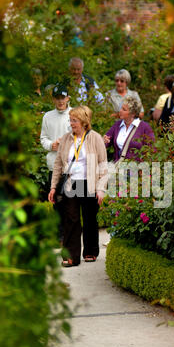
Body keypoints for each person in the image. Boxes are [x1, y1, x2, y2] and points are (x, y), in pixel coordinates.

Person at [49, 106, 108, 267]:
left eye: (74, 120)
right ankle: (71, 256)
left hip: (89, 183)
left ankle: (90, 251)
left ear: (83, 122)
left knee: (89, 218)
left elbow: (103, 164)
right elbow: (58, 164)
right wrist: (53, 187)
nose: (71, 123)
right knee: (71, 219)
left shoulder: (95, 138)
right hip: (71, 182)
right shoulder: (67, 138)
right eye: (70, 120)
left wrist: (101, 188)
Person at [40, 84, 72, 242]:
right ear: (53, 99)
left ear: (68, 98)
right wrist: (51, 145)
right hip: (54, 165)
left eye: (63, 97)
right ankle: (60, 235)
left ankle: (70, 233)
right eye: (57, 98)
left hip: (72, 166)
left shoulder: (74, 114)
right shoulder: (47, 116)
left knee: (71, 200)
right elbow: (43, 139)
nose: (61, 101)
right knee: (57, 201)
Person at [104, 95, 155, 162]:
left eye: (124, 109)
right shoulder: (117, 125)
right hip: (118, 168)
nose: (120, 111)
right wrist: (104, 141)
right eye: (121, 108)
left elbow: (152, 150)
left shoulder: (145, 127)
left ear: (133, 113)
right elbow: (105, 142)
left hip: (136, 169)